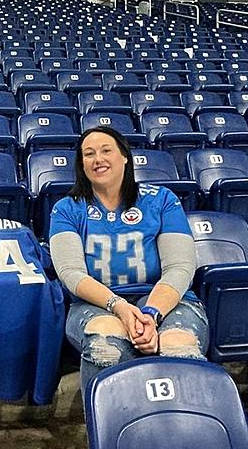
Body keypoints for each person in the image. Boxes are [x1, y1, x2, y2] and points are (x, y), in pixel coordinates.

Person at [48, 126, 209, 401]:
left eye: (106, 150)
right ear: (81, 165)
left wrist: (151, 313)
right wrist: (119, 307)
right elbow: (71, 274)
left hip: (166, 301)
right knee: (106, 345)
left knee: (178, 346)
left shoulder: (162, 200)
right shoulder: (67, 208)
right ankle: (109, 435)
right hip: (97, 304)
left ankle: (186, 433)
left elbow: (180, 267)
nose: (97, 159)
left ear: (125, 157)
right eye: (89, 154)